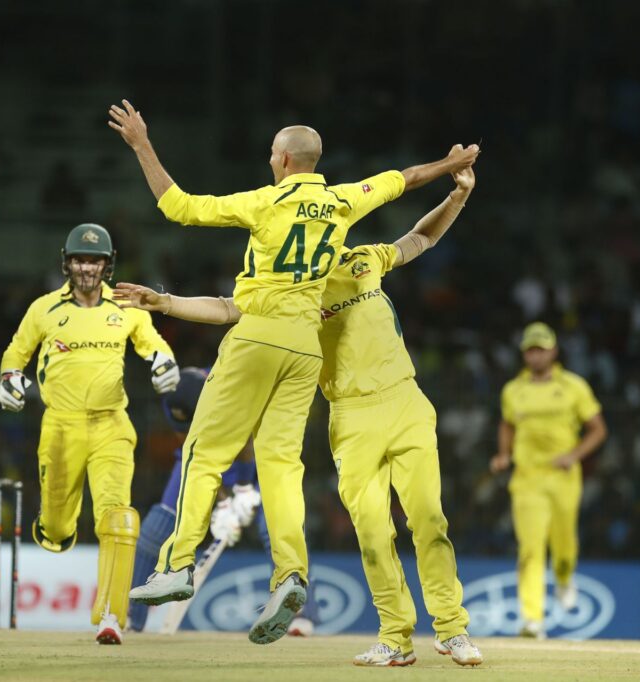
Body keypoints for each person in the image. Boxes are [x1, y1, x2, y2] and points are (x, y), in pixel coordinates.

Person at [108, 97, 479, 645]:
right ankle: (289, 575)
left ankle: (177, 564)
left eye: (271, 155)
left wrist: (141, 143)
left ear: (282, 160)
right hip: (305, 347)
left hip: (260, 332)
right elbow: (405, 179)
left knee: (204, 452)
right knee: (281, 466)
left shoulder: (266, 202)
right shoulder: (343, 201)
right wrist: (452, 166)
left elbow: (178, 206)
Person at [0, 222, 180, 645]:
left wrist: (164, 363)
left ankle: (111, 615)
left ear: (108, 264)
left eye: (95, 261)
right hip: (60, 428)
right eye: (80, 260)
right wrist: (9, 378)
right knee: (57, 531)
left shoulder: (126, 306)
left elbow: (153, 344)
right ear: (67, 262)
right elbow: (16, 352)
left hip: (111, 424)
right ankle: (54, 524)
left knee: (118, 517)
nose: (87, 268)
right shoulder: (44, 309)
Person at [126, 367, 320, 635]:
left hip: (256, 455)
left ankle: (301, 613)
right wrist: (224, 503)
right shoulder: (176, 398)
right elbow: (192, 450)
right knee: (155, 529)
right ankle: (131, 618)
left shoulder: (231, 393)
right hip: (206, 456)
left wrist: (243, 490)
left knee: (276, 526)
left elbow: (247, 444)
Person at [490, 322, 608, 639]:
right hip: (527, 478)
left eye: (541, 349)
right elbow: (507, 424)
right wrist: (504, 454)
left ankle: (565, 577)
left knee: (564, 544)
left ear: (553, 351)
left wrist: (574, 455)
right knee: (530, 548)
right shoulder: (513, 390)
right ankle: (532, 619)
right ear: (524, 353)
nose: (536, 355)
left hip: (563, 477)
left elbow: (598, 429)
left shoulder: (573, 386)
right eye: (530, 350)